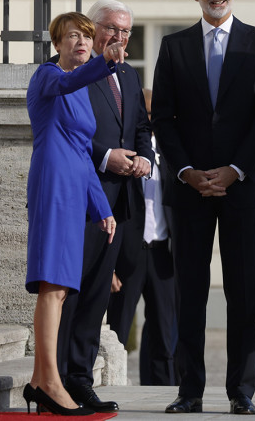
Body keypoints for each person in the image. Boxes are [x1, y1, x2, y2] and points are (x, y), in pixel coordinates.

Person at [152, 0, 255, 415]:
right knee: (189, 293)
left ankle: (241, 390)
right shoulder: (173, 46)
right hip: (188, 190)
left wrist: (235, 170)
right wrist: (186, 171)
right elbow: (162, 118)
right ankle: (190, 391)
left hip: (242, 189)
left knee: (245, 293)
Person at [24, 11, 125, 416]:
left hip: (75, 187)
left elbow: (85, 152)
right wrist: (107, 62)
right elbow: (69, 81)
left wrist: (103, 207)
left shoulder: (83, 86)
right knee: (54, 284)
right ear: (57, 44)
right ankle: (49, 381)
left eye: (86, 37)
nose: (80, 43)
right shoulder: (48, 76)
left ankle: (38, 381)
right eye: (72, 37)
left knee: (63, 286)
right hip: (51, 185)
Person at [55, 0, 153, 413]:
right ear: (92, 29)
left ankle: (81, 380)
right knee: (72, 291)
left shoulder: (128, 74)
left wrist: (145, 157)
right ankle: (56, 380)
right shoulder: (73, 72)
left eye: (126, 31)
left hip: (122, 199)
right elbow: (67, 128)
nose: (119, 37)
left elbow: (142, 126)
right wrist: (106, 155)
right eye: (112, 28)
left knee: (98, 294)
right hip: (81, 197)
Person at [107, 88, 179, 386]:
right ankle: (110, 387)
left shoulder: (172, 153)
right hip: (128, 255)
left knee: (166, 334)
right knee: (118, 331)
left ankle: (162, 394)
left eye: (154, 115)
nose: (150, 121)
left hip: (163, 253)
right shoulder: (123, 154)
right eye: (145, 115)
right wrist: (107, 264)